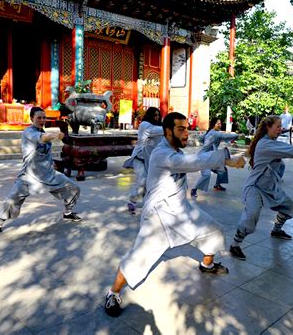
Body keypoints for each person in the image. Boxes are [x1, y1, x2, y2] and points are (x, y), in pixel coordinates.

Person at [104, 112, 246, 317]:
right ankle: (113, 293)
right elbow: (192, 161)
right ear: (168, 131)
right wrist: (228, 159)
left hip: (181, 210)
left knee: (213, 231)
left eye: (187, 128)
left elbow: (191, 159)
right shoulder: (162, 154)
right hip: (159, 217)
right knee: (138, 258)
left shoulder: (174, 149)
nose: (187, 133)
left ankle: (208, 264)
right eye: (181, 129)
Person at [228, 115, 293, 261]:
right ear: (268, 128)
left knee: (289, 208)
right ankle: (235, 245)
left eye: (281, 126)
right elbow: (292, 151)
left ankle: (276, 230)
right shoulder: (266, 144)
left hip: (270, 187)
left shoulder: (270, 140)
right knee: (251, 218)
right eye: (277, 126)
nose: (280, 129)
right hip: (255, 187)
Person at [0, 107, 81, 238]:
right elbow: (43, 138)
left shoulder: (42, 130)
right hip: (29, 177)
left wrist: (51, 164)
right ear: (32, 119)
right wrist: (56, 135)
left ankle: (68, 212)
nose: (42, 120)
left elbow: (44, 151)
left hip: (48, 175)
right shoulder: (28, 132)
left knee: (74, 188)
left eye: (44, 117)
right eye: (39, 118)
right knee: (11, 200)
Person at [123, 107, 163, 214]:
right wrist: (170, 128)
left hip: (150, 160)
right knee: (142, 180)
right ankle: (132, 200)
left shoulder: (160, 128)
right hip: (139, 158)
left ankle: (146, 204)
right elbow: (154, 131)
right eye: (154, 115)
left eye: (158, 115)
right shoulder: (144, 125)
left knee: (150, 183)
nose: (157, 117)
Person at [190, 117, 239, 198]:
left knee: (222, 169)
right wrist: (237, 135)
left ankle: (217, 185)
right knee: (206, 174)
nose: (220, 125)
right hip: (204, 157)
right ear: (213, 125)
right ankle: (194, 189)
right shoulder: (214, 133)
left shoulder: (211, 132)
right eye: (218, 124)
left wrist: (209, 143)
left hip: (212, 157)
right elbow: (225, 136)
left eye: (220, 123)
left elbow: (200, 138)